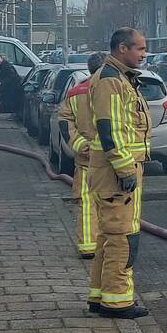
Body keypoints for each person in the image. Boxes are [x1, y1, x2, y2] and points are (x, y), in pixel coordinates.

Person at [87, 28, 151, 319]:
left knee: (110, 236)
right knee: (122, 237)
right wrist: (125, 167)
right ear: (122, 48)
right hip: (117, 172)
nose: (144, 54)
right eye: (140, 49)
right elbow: (109, 129)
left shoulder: (120, 78)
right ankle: (118, 302)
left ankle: (101, 296)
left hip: (117, 169)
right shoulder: (112, 81)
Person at [57, 52, 107, 260]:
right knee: (115, 204)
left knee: (87, 203)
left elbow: (64, 121)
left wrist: (79, 145)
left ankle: (88, 245)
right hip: (114, 162)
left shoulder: (75, 93)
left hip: (86, 160)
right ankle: (112, 246)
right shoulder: (120, 90)